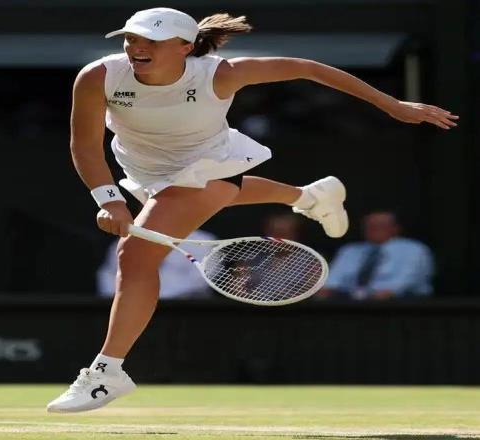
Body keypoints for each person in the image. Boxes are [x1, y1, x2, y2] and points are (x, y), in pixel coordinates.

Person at [47, 7, 458, 412]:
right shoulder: (99, 76)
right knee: (206, 203)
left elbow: (307, 68)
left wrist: (391, 104)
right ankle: (308, 197)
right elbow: (85, 145)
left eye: (152, 41)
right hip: (145, 171)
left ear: (184, 46)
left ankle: (107, 371)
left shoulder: (222, 74)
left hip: (209, 163)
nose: (137, 47)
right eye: (132, 38)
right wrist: (109, 199)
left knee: (135, 255)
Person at [318, 211, 435, 300]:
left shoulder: (414, 250)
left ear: (395, 228)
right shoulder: (349, 251)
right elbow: (331, 283)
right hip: (350, 304)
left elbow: (406, 283)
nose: (374, 229)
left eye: (380, 225)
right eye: (369, 226)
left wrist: (378, 295)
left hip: (401, 306)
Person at [96, 229, 217, 299]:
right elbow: (108, 275)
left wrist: (158, 298)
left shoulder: (204, 241)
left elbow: (201, 282)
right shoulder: (126, 242)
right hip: (135, 310)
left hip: (187, 313)